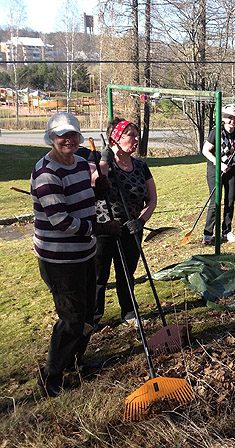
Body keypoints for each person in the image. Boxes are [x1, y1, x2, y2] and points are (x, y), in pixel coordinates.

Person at [31, 112, 121, 397]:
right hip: (59, 258)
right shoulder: (46, 172)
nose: (68, 140)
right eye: (62, 135)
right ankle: (50, 376)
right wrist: (102, 229)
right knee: (71, 318)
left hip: (84, 252)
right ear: (51, 138)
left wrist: (98, 190)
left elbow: (82, 200)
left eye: (72, 134)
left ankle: (74, 362)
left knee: (88, 314)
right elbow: (61, 220)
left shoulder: (82, 164)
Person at [93, 118, 157, 325]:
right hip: (104, 228)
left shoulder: (140, 166)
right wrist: (105, 160)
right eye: (131, 135)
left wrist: (141, 221)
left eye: (137, 135)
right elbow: (95, 184)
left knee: (127, 274)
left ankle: (129, 312)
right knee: (98, 276)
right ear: (116, 138)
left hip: (131, 229)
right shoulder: (100, 162)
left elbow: (152, 199)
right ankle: (93, 317)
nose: (137, 139)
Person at [201, 103, 235, 244]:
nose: (232, 120)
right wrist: (219, 164)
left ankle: (226, 231)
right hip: (215, 170)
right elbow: (205, 151)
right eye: (229, 117)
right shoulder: (216, 132)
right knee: (215, 201)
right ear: (223, 117)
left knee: (230, 201)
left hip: (232, 170)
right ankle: (208, 233)